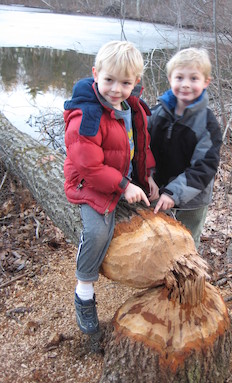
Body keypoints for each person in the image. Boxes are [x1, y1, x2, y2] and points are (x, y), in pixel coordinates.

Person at [63, 41, 159, 335]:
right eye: (109, 80)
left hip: (122, 179)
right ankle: (83, 291)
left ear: (136, 82)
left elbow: (141, 147)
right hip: (90, 182)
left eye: (125, 82)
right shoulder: (87, 116)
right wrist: (123, 184)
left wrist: (148, 177)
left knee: (158, 224)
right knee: (98, 231)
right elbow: (89, 167)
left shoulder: (132, 106)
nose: (116, 89)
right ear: (95, 74)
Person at [148, 47, 223, 249]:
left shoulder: (208, 124)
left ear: (206, 82)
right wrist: (148, 177)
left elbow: (204, 166)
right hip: (159, 190)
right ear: (170, 79)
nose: (186, 85)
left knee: (187, 242)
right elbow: (143, 149)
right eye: (179, 77)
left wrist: (174, 193)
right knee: (157, 237)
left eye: (194, 78)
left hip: (194, 198)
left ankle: (187, 277)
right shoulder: (157, 113)